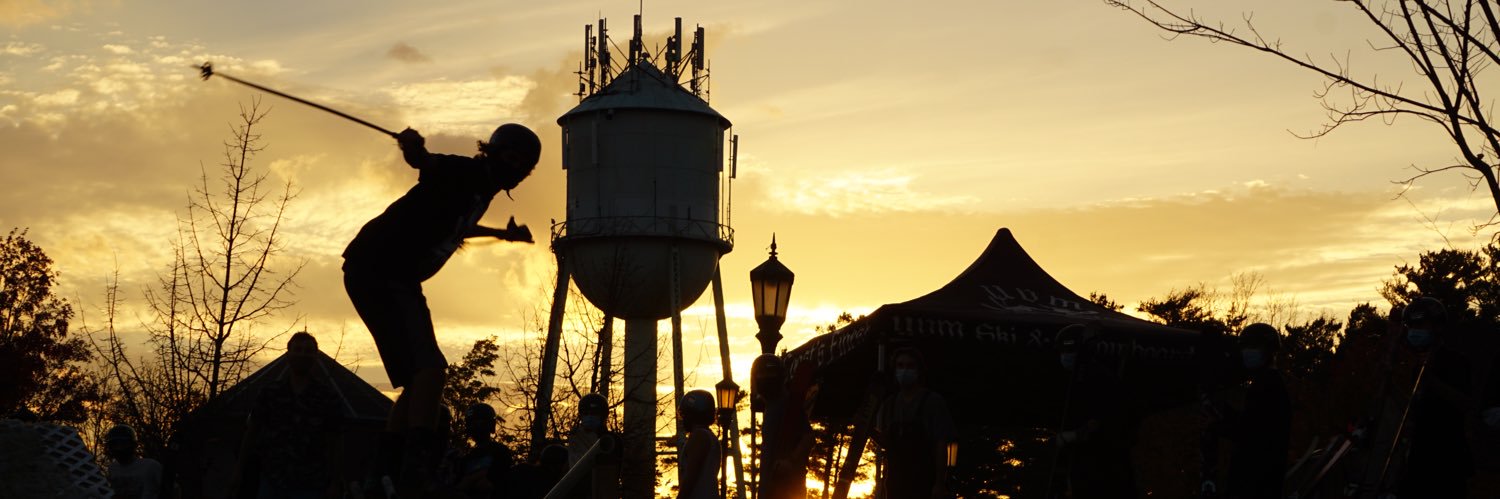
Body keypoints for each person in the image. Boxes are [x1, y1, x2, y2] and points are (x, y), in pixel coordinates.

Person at [342, 124, 540, 493]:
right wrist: (413, 148)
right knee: (431, 371)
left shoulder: (481, 192)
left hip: (384, 274)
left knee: (420, 380)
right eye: (511, 159)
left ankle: (383, 472)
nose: (515, 169)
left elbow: (459, 227)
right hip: (383, 269)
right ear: (492, 152)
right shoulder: (465, 171)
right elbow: (426, 163)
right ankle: (413, 471)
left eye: (523, 167)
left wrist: (501, 234)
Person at [230, 332, 343, 499]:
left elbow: (334, 442)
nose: (302, 354)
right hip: (272, 480)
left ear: (315, 356)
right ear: (288, 354)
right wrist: (238, 472)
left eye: (308, 350)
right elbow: (251, 433)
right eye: (298, 349)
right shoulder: (270, 393)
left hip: (310, 483)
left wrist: (335, 482)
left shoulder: (327, 397)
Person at [1394, 297, 1474, 498]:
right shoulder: (1414, 366)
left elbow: (1466, 403)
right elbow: (1413, 409)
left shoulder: (1456, 361)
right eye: (1411, 326)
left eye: (1420, 325)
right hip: (1418, 459)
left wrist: (1431, 380)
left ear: (1437, 327)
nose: (1415, 331)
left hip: (1448, 460)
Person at [1205, 323, 1291, 499]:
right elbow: (1250, 423)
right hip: (1257, 481)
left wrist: (1217, 426)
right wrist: (1223, 409)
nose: (1247, 352)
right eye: (1245, 347)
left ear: (1269, 351)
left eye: (1253, 347)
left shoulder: (1269, 386)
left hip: (1256, 483)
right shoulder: (1266, 383)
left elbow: (1252, 433)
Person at [1052, 323, 1138, 499]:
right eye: (1063, 352)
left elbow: (1106, 417)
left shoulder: (1097, 378)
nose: (1065, 357)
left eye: (1069, 352)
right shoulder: (1075, 379)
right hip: (1086, 460)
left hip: (1103, 463)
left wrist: (1075, 435)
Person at [872, 347, 954, 499]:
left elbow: (941, 444)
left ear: (919, 370)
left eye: (910, 366)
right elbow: (887, 441)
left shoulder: (933, 402)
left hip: (924, 483)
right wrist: (867, 429)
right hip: (895, 485)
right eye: (900, 366)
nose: (904, 370)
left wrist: (939, 483)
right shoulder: (890, 403)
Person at [754, 355, 816, 499]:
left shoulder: (786, 403)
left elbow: (809, 438)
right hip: (772, 488)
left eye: (769, 374)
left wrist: (790, 461)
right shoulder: (772, 405)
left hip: (786, 488)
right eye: (762, 374)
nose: (765, 378)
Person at [448, 403, 514, 499]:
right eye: (471, 424)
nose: (474, 427)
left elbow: (492, 484)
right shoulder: (466, 457)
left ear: (489, 425)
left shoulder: (500, 451)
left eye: (479, 423)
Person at [564, 393, 622, 499]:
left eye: (595, 414)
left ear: (603, 416)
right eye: (586, 413)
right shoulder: (575, 437)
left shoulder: (612, 441)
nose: (590, 417)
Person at [676, 390, 720, 499]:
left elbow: (691, 475)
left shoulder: (699, 436)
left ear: (693, 414)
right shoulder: (710, 437)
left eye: (685, 414)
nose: (683, 419)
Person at [105, 424, 163, 499]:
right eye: (114, 445)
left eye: (123, 444)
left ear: (133, 445)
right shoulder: (112, 468)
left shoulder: (151, 466)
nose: (119, 448)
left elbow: (172, 489)